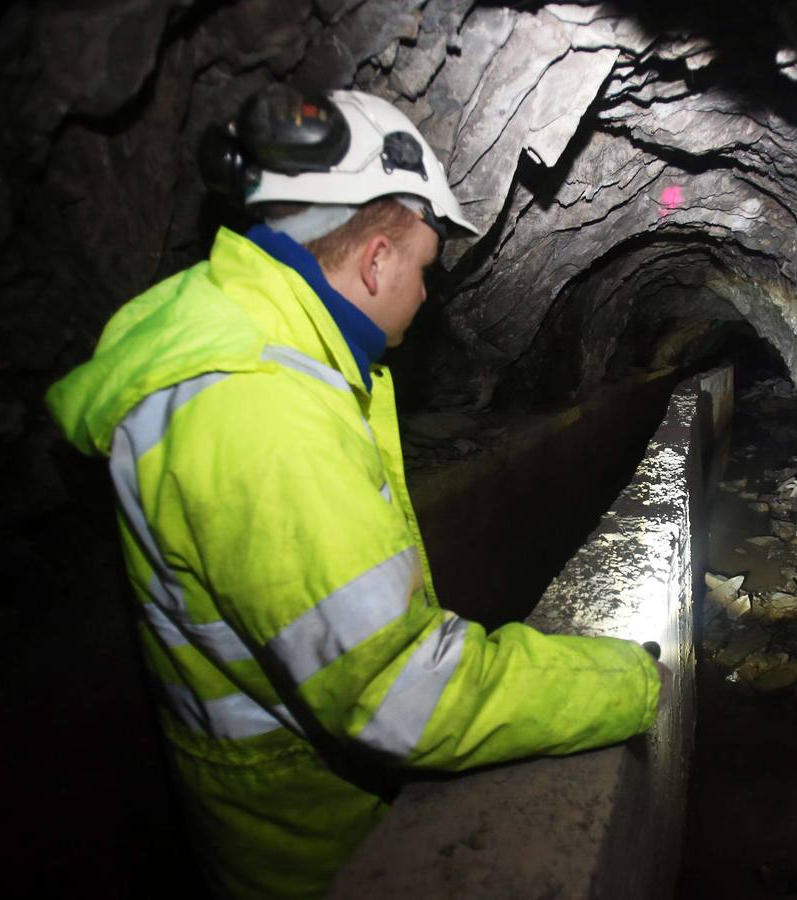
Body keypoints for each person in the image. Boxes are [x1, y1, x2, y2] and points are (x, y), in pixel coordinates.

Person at [46, 86, 672, 899]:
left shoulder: (245, 351)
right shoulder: (259, 410)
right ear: (376, 259)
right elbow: (403, 694)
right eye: (423, 269)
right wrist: (629, 683)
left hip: (285, 814)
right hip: (314, 847)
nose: (425, 293)